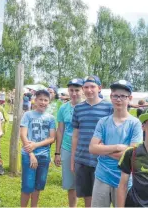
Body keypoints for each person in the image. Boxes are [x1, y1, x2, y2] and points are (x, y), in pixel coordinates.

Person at [89, 80, 143, 207]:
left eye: (123, 96)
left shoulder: (135, 124)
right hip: (102, 176)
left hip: (124, 178)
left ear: (130, 98)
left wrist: (103, 149)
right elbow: (92, 148)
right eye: (115, 95)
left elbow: (132, 154)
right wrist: (117, 147)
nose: (118, 99)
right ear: (111, 97)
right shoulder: (103, 122)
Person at [70, 75, 113, 207]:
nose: (89, 90)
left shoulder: (109, 107)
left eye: (92, 87)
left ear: (99, 88)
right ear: (83, 89)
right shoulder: (78, 108)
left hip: (101, 160)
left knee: (101, 196)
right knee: (87, 195)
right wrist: (73, 159)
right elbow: (75, 135)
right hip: (82, 159)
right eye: (86, 87)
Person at [20, 90, 56, 207]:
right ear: (35, 100)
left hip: (44, 156)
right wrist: (31, 154)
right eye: (40, 99)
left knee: (38, 186)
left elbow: (52, 138)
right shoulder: (28, 115)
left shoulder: (50, 118)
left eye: (46, 100)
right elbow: (23, 135)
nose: (43, 102)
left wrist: (36, 145)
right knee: (27, 186)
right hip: (29, 155)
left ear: (49, 102)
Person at [54, 78, 84, 207]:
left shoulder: (87, 107)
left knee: (88, 183)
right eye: (71, 90)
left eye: (77, 90)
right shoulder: (63, 108)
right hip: (67, 148)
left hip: (84, 150)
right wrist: (57, 152)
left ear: (82, 90)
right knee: (71, 185)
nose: (74, 93)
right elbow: (60, 130)